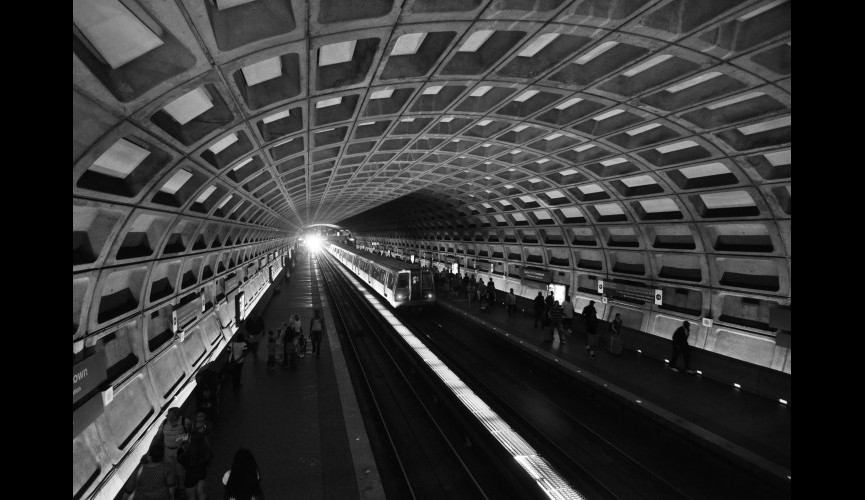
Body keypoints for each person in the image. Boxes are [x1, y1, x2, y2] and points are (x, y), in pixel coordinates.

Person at [178, 432, 213, 500]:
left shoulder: (188, 454)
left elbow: (180, 460)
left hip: (190, 476)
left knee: (191, 497)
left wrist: (181, 448)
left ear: (191, 441)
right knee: (201, 492)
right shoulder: (206, 450)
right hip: (202, 472)